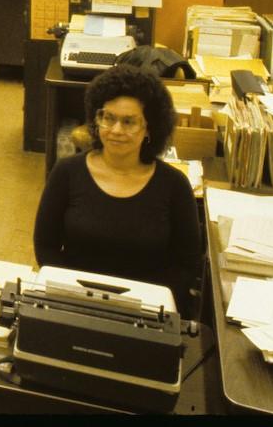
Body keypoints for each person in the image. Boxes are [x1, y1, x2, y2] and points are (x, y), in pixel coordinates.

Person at [32, 64, 201, 315]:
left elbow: (187, 265)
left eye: (129, 122)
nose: (116, 130)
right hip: (75, 305)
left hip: (146, 312)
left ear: (149, 129)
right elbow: (45, 246)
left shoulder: (174, 186)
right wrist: (76, 295)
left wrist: (145, 305)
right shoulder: (67, 173)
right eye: (108, 118)